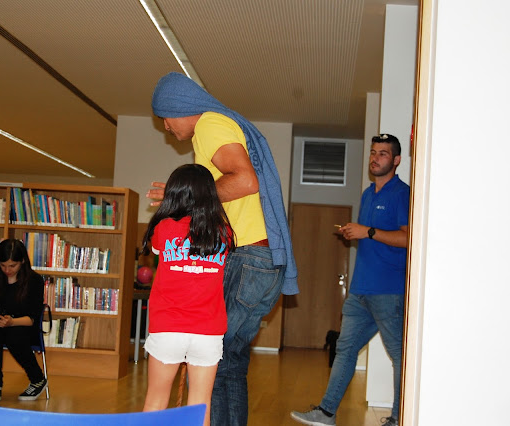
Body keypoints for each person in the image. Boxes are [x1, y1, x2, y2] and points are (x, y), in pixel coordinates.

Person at [149, 72, 299, 426]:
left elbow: (245, 180)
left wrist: (185, 198)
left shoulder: (210, 126)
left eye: (165, 117)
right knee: (229, 362)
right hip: (259, 259)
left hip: (247, 256)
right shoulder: (218, 126)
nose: (166, 126)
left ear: (178, 108)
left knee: (213, 366)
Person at [290, 133, 409, 426]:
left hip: (389, 291)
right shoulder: (368, 194)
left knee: (399, 356)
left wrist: (368, 231)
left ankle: (398, 418)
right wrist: (354, 233)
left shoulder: (402, 193)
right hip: (359, 290)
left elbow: (408, 238)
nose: (375, 158)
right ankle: (326, 413)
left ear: (396, 160)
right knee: (344, 349)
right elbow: (372, 236)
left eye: (383, 153)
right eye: (373, 152)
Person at [141, 163, 235, 426]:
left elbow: (157, 251)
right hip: (208, 330)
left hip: (167, 326)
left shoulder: (164, 228)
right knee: (200, 404)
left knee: (156, 401)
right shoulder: (224, 233)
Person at [0, 238, 48, 401]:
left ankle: (37, 379)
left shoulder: (34, 281)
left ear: (22, 262)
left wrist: (12, 322)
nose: (7, 270)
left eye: (12, 266)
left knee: (13, 335)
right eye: (3, 265)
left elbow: (33, 318)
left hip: (23, 327)